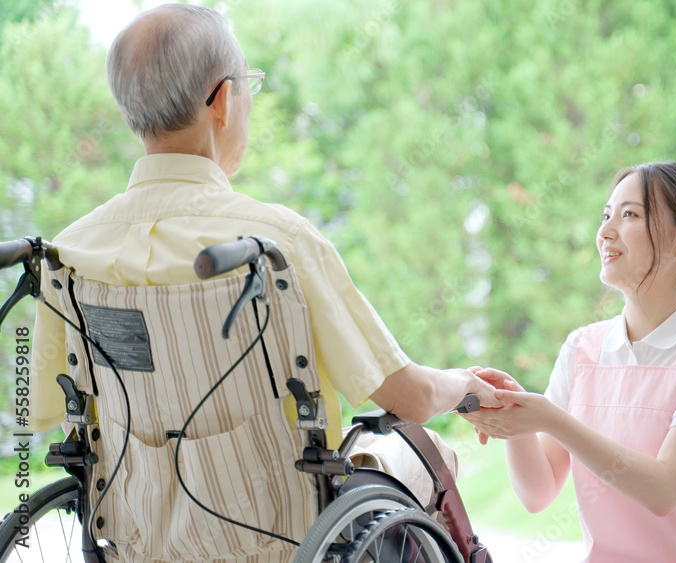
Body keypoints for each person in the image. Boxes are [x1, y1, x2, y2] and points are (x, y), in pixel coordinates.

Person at [28, 3, 496, 560]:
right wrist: (464, 384)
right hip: (281, 535)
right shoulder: (275, 243)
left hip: (137, 536)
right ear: (223, 100)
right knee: (424, 449)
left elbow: (39, 411)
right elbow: (410, 397)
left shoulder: (70, 252)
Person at [462, 161, 676, 562]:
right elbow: (537, 493)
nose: (605, 232)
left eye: (630, 215)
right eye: (606, 215)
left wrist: (549, 418)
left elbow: (664, 489)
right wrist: (515, 415)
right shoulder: (583, 348)